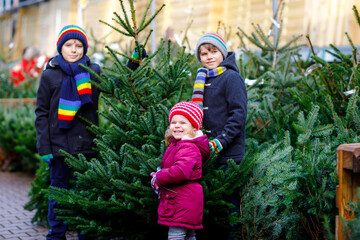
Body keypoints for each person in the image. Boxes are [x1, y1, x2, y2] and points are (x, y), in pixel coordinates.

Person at [35, 24, 145, 239]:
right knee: (59, 193)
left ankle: (85, 234)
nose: (74, 49)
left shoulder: (92, 71)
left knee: (86, 193)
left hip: (86, 144)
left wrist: (133, 63)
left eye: (78, 45)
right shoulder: (50, 75)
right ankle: (56, 234)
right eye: (69, 45)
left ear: (84, 48)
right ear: (61, 47)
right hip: (58, 147)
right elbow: (41, 112)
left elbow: (116, 85)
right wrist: (44, 146)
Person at [192, 32, 248, 239]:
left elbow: (238, 115)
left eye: (213, 51)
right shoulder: (203, 78)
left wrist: (221, 141)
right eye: (203, 53)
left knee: (228, 205)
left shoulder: (231, 78)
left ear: (222, 52)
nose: (209, 56)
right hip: (207, 152)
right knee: (209, 205)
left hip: (228, 154)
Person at [150, 101, 210, 240]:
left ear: (194, 128)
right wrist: (160, 172)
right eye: (173, 122)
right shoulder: (178, 144)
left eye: (183, 123)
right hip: (181, 199)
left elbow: (181, 171)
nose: (177, 125)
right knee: (188, 235)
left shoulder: (188, 147)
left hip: (182, 201)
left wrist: (160, 176)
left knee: (176, 236)